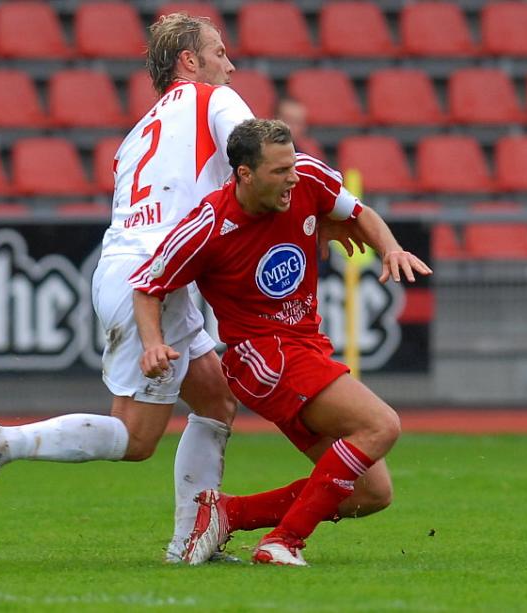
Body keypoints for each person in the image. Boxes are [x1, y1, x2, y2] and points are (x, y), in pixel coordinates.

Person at [0, 13, 252, 564]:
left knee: (216, 399)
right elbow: (255, 151)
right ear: (189, 61)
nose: (229, 65)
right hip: (155, 278)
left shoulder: (136, 134)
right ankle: (1, 441)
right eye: (219, 52)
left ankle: (194, 540)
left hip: (125, 267)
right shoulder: (214, 100)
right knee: (136, 438)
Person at [129, 118, 432, 566]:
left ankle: (227, 513)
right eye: (279, 170)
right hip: (262, 355)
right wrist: (152, 343)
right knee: (381, 425)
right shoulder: (209, 226)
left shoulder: (307, 176)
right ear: (245, 174)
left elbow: (358, 213)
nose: (292, 177)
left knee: (369, 493)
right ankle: (283, 541)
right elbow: (147, 287)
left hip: (305, 344)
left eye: (292, 165)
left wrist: (390, 249)